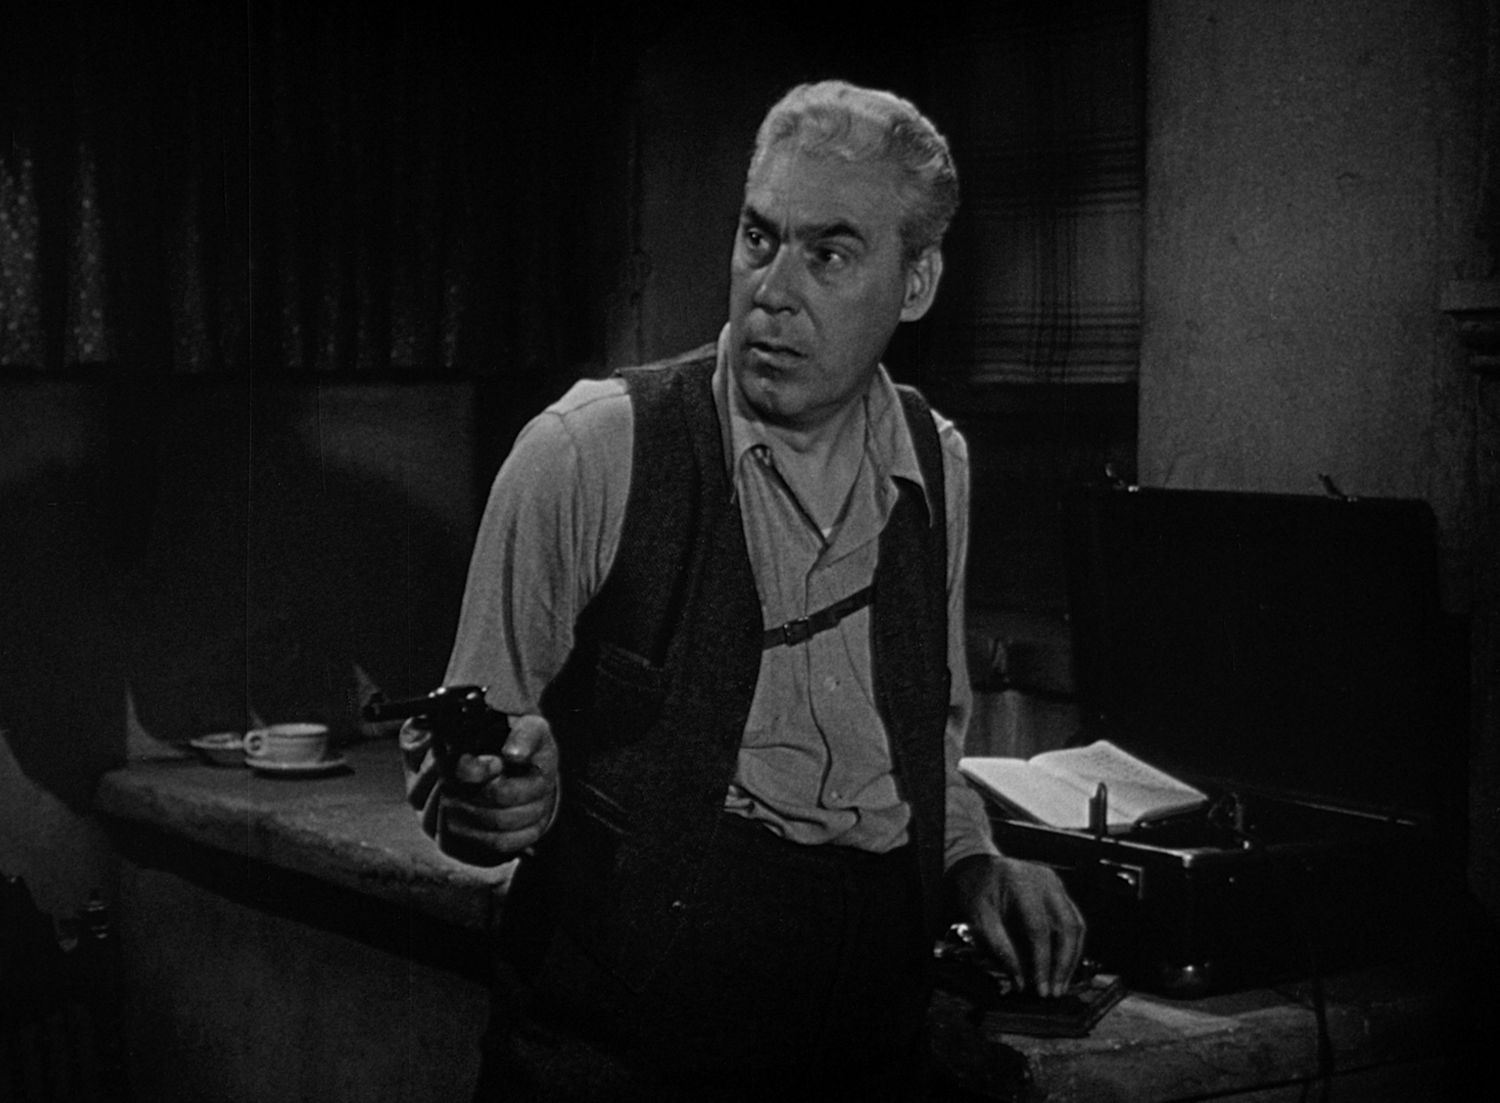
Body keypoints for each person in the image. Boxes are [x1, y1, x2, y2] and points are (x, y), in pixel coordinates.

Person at [403, 79, 1085, 1100]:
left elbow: (923, 752)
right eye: (759, 238)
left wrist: (975, 860)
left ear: (916, 282)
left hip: (868, 1037)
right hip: (625, 1050)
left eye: (829, 254)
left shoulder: (936, 464)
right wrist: (490, 794)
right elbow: (465, 743)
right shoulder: (588, 451)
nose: (773, 291)